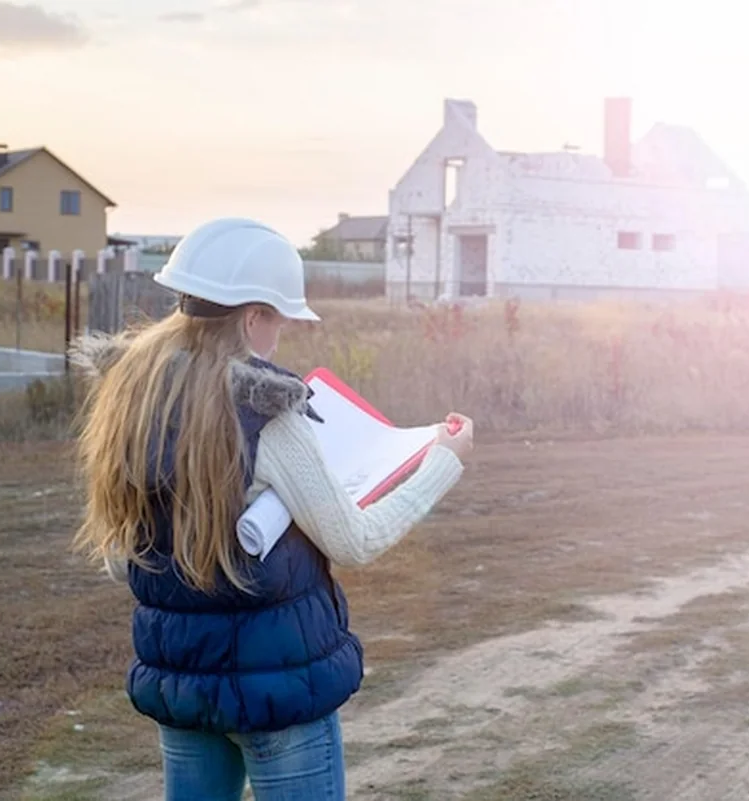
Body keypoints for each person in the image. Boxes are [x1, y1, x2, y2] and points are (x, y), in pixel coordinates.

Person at [69, 217, 473, 801]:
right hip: (277, 692)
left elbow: (119, 557)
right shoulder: (266, 408)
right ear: (254, 315)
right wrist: (444, 463)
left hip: (181, 685)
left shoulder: (132, 392)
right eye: (280, 318)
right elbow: (354, 543)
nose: (280, 335)